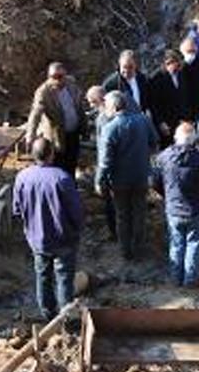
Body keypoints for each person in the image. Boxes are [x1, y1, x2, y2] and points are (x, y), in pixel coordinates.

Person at [13, 137, 85, 323]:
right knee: (64, 279)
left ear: (32, 155)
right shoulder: (62, 178)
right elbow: (75, 210)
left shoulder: (22, 177)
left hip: (37, 239)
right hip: (64, 239)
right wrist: (78, 229)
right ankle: (66, 319)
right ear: (52, 154)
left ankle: (47, 315)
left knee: (43, 276)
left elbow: (17, 209)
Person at [153, 122, 199, 287]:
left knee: (176, 244)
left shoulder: (164, 156)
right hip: (198, 210)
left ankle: (175, 279)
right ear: (194, 140)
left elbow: (155, 181)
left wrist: (167, 195)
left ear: (176, 137)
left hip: (174, 210)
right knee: (194, 245)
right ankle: (190, 281)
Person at [96, 91, 158, 260]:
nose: (105, 110)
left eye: (107, 106)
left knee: (122, 216)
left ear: (115, 107)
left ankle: (126, 252)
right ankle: (138, 249)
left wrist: (99, 181)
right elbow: (154, 141)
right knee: (139, 213)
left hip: (119, 180)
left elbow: (105, 161)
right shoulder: (143, 120)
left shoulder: (110, 128)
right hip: (141, 176)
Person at [25, 62, 85, 177]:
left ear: (65, 75)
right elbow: (35, 114)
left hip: (73, 133)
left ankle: (70, 188)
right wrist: (30, 136)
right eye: (53, 77)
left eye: (60, 76)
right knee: (58, 167)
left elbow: (79, 106)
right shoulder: (43, 92)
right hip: (57, 137)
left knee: (72, 163)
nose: (57, 80)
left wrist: (84, 126)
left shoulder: (71, 84)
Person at [85, 85, 116, 240]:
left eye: (92, 102)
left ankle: (113, 232)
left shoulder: (103, 119)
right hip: (120, 164)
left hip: (108, 166)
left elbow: (103, 148)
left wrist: (99, 176)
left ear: (99, 100)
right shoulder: (115, 113)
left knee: (110, 201)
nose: (91, 106)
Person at [147, 49, 189, 148]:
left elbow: (184, 96)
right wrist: (161, 123)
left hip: (181, 121)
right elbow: (153, 104)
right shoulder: (156, 79)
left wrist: (186, 117)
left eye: (180, 63)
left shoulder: (181, 73)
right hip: (166, 123)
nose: (179, 66)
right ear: (167, 63)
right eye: (176, 64)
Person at [178, 37, 199, 124]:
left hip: (196, 102)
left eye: (193, 51)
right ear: (183, 52)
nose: (192, 54)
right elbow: (182, 91)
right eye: (189, 51)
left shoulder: (198, 62)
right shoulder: (181, 68)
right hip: (184, 107)